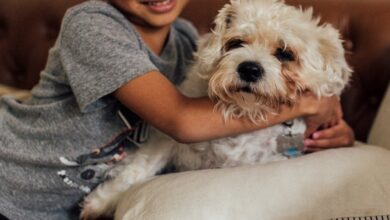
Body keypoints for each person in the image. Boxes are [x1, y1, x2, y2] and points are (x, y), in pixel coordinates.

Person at [0, 0, 354, 219]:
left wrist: (332, 127)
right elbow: (181, 121)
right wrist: (308, 103)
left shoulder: (187, 41)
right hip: (13, 182)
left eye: (283, 54)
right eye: (237, 45)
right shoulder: (91, 23)